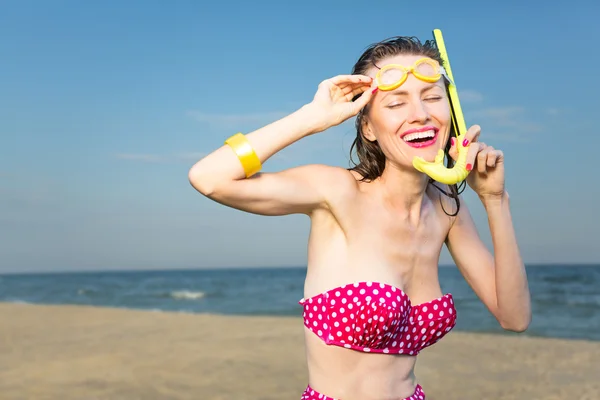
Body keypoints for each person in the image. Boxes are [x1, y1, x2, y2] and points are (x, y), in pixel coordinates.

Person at [188, 35, 531, 400]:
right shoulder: (337, 192)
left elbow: (515, 317)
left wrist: (495, 200)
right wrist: (311, 119)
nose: (420, 113)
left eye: (432, 97)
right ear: (367, 127)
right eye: (396, 102)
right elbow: (208, 178)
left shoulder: (447, 208)